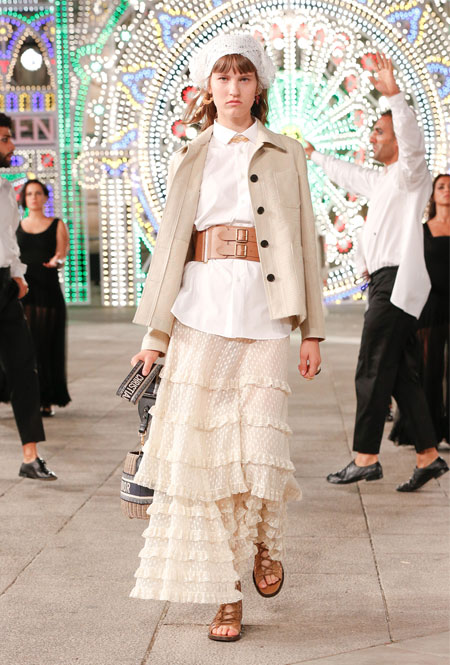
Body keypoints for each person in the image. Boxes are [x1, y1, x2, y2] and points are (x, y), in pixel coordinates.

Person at [128, 33, 325, 642]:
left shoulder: (288, 154)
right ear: (207, 88)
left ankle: (266, 543)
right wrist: (156, 334)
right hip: (200, 313)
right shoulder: (190, 155)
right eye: (222, 77)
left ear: (258, 86)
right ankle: (227, 593)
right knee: (206, 464)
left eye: (243, 76)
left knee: (259, 451)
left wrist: (313, 331)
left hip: (266, 317)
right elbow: (170, 248)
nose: (233, 87)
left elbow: (306, 243)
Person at [305, 53, 448, 492]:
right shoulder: (385, 180)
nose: (372, 136)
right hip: (384, 282)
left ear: (398, 139)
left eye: (379, 131)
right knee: (400, 372)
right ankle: (428, 456)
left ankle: (365, 458)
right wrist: (314, 155)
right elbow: (349, 174)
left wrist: (395, 97)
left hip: (396, 281)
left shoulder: (410, 173)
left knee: (371, 366)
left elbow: (414, 142)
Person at [0, 113, 56, 480]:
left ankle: (30, 457)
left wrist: (17, 275)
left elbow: (8, 238)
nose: (12, 145)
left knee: (23, 366)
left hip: (5, 284)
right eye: (5, 139)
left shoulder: (6, 190)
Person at [389, 174, 450, 448]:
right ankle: (426, 433)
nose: (446, 191)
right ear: (433, 194)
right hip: (430, 306)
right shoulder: (421, 230)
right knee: (429, 369)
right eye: (441, 187)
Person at [17, 179, 71, 416]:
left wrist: (56, 262)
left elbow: (62, 254)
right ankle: (21, 396)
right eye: (29, 194)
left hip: (48, 290)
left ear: (45, 197)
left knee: (46, 345)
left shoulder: (57, 224)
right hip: (22, 292)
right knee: (23, 346)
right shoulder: (16, 225)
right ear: (24, 198)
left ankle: (46, 398)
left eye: (38, 193)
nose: (34, 197)